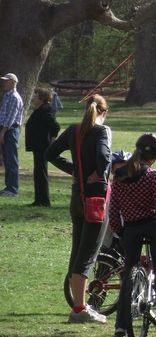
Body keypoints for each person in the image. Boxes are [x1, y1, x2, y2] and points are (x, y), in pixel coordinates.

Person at [45, 94, 111, 324]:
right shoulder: (101, 131)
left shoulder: (73, 130)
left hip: (77, 198)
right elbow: (104, 157)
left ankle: (77, 304)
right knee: (88, 254)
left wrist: (75, 170)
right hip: (95, 199)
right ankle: (80, 308)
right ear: (104, 112)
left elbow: (49, 154)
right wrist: (100, 172)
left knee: (77, 252)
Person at [111, 134, 156, 337]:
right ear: (154, 158)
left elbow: (114, 209)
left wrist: (120, 230)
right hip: (152, 227)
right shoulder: (152, 176)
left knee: (128, 273)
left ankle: (121, 326)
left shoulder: (120, 175)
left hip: (130, 229)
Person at [24, 88, 61, 207]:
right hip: (38, 146)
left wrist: (52, 138)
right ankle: (38, 199)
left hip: (42, 145)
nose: (34, 98)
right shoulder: (41, 109)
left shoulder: (46, 110)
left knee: (41, 172)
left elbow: (55, 126)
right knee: (38, 172)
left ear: (41, 98)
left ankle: (44, 201)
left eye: (36, 96)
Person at [0, 73, 24, 196]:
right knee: (7, 159)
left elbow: (10, 117)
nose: (4, 83)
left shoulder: (14, 97)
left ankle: (13, 189)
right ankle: (8, 186)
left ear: (13, 82)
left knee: (12, 159)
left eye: (6, 81)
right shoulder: (6, 96)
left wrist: (3, 132)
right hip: (5, 129)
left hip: (10, 130)